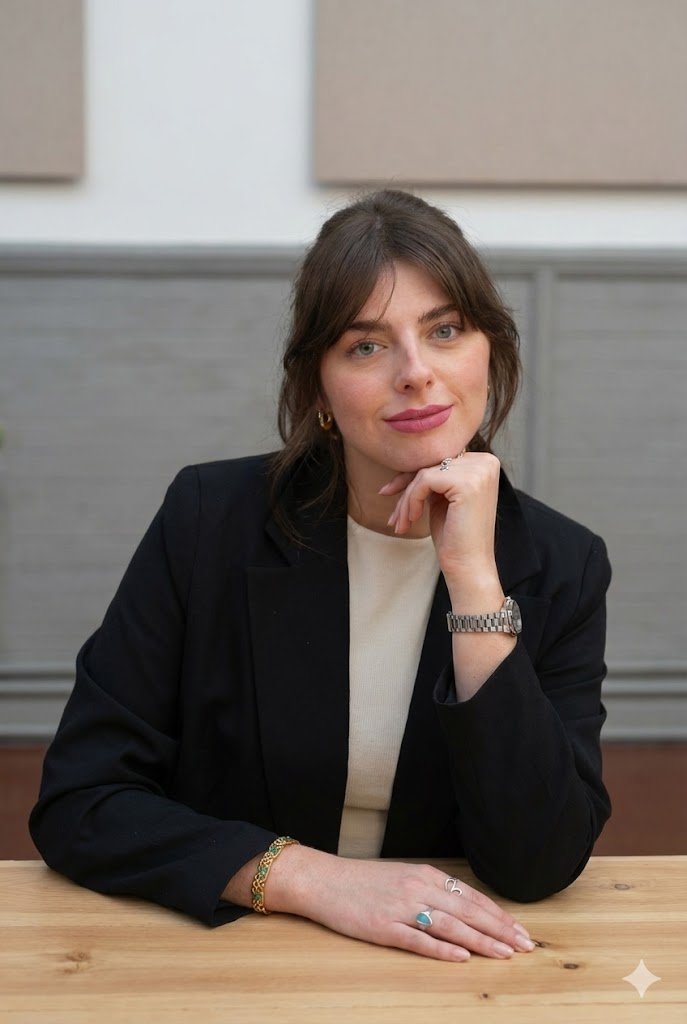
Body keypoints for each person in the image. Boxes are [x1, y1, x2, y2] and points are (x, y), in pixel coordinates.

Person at [30, 189, 611, 963]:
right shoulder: (209, 520)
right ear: (319, 390)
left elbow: (538, 861)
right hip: (230, 953)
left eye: (444, 331)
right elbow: (83, 801)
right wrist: (311, 879)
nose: (415, 373)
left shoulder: (560, 563)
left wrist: (473, 581)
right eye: (365, 345)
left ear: (489, 353)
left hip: (447, 970)